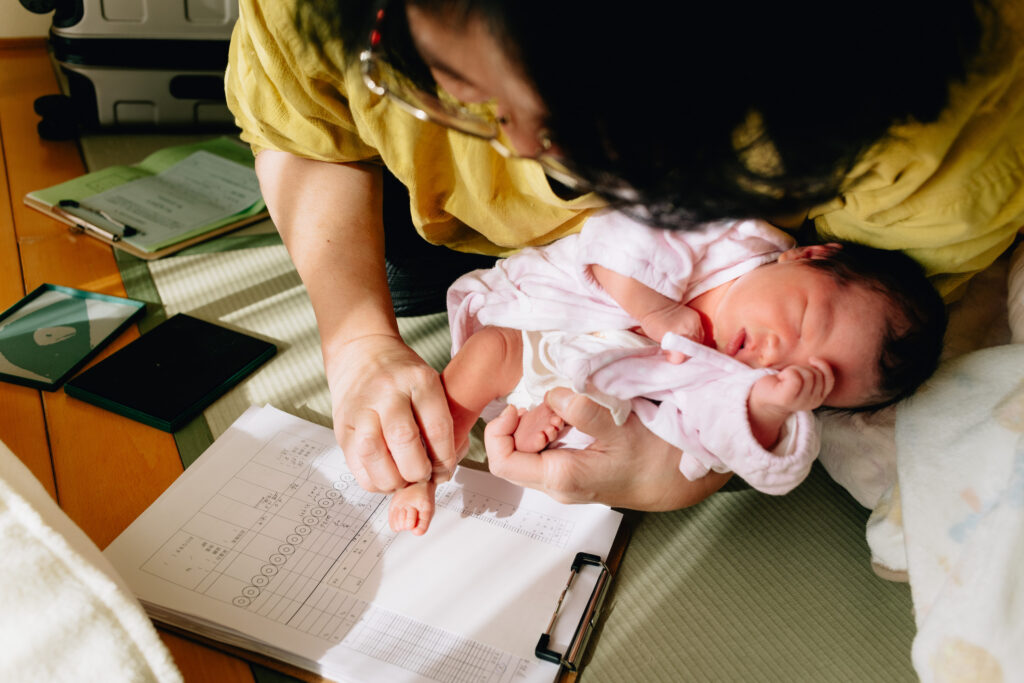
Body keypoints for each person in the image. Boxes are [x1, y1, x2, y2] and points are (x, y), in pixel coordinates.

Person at [225, 0, 1022, 511]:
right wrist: (356, 341)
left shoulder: (942, 156)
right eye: (470, 91)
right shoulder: (340, 21)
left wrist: (673, 471)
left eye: (582, 131)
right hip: (502, 266)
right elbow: (299, 122)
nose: (521, 147)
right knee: (414, 311)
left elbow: (779, 422)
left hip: (583, 358)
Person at [388, 212, 946, 534]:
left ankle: (538, 419)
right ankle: (430, 463)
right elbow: (617, 236)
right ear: (809, 256)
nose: (776, 355)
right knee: (489, 351)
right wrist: (654, 311)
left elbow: (715, 444)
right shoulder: (735, 240)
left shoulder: (740, 382)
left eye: (809, 380)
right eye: (802, 319)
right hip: (541, 313)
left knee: (640, 430)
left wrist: (766, 408)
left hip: (583, 385)